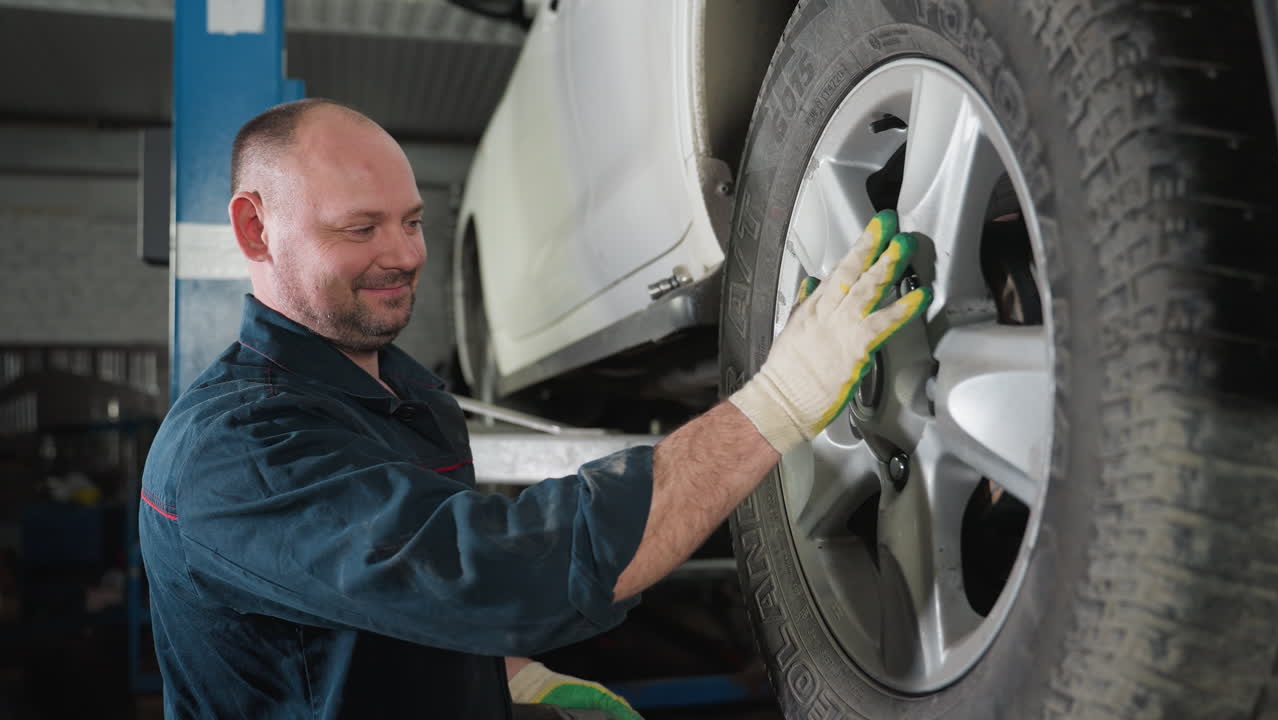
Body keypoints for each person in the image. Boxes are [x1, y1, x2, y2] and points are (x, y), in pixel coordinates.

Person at [138, 98, 930, 719]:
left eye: (413, 221)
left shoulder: (405, 392)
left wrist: (508, 678)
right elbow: (494, 570)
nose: (407, 254)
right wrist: (780, 402)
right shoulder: (233, 452)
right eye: (361, 228)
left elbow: (390, 594)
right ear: (255, 228)